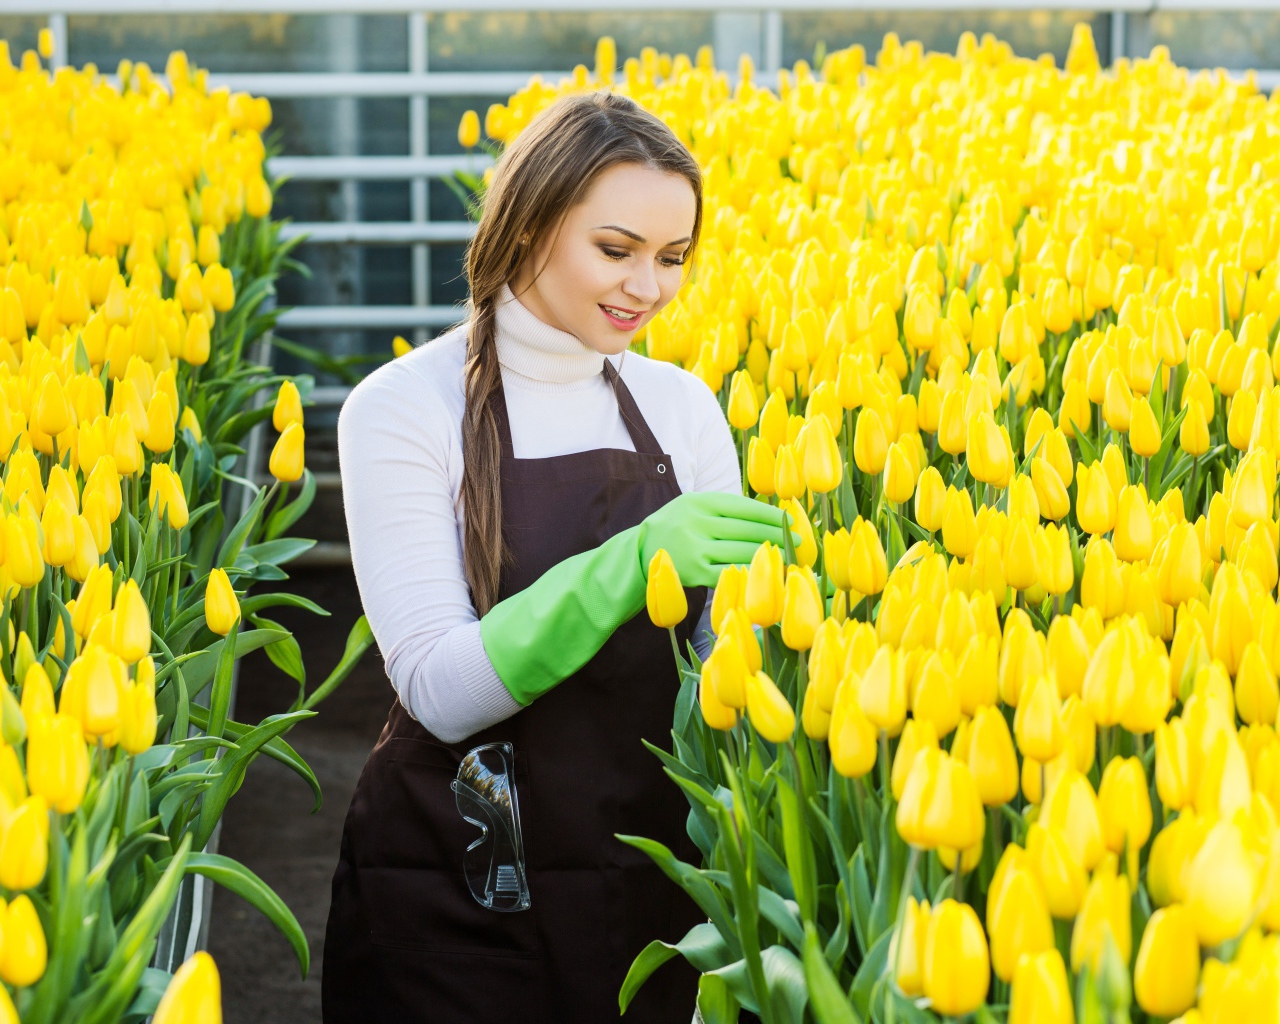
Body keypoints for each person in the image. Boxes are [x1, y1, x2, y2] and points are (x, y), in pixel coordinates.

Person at [322, 90, 786, 1023]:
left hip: (647, 872)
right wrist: (631, 563)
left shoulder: (682, 408)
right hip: (460, 881)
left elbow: (719, 670)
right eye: (615, 250)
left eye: (672, 258)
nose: (648, 287)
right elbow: (439, 689)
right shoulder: (404, 407)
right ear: (529, 224)